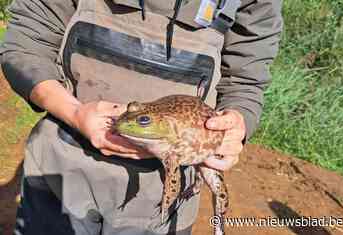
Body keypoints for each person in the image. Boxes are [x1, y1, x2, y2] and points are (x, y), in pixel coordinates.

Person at [0, 0, 283, 234]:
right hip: (60, 173)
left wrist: (238, 121)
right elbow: (26, 43)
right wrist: (73, 112)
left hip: (160, 204)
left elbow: (246, 79)